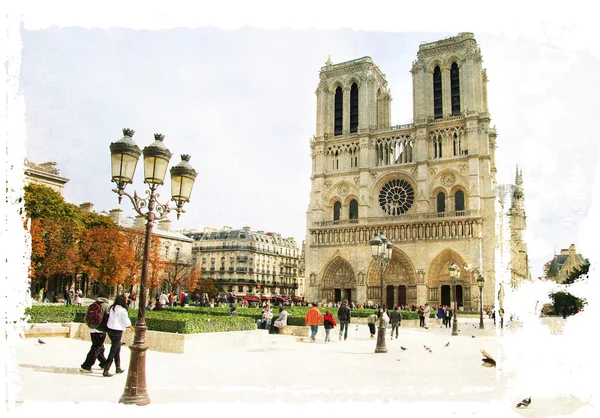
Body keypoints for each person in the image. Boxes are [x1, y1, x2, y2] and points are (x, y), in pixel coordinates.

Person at [103, 294, 134, 377]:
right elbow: (126, 321)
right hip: (117, 331)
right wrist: (131, 328)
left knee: (117, 348)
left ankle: (118, 367)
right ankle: (106, 369)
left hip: (110, 329)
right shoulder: (122, 310)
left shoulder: (112, 308)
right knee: (113, 350)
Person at [80, 291, 110, 373]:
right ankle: (86, 365)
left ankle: (103, 362)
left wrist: (90, 325)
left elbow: (86, 317)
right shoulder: (107, 306)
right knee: (96, 347)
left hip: (92, 328)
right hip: (100, 330)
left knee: (99, 346)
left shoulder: (93, 304)